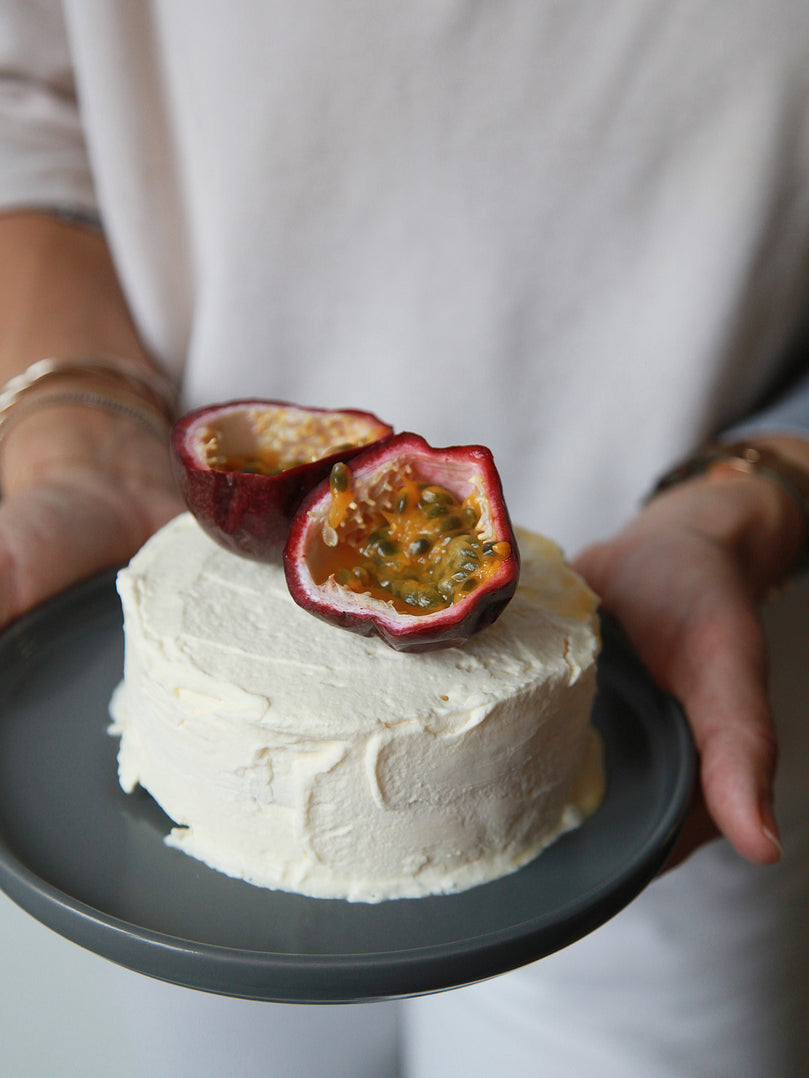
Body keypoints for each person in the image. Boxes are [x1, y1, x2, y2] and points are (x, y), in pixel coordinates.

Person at [0, 3, 807, 1075]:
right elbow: (25, 93)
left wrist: (754, 493)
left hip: (670, 724)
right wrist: (75, 424)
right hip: (187, 835)